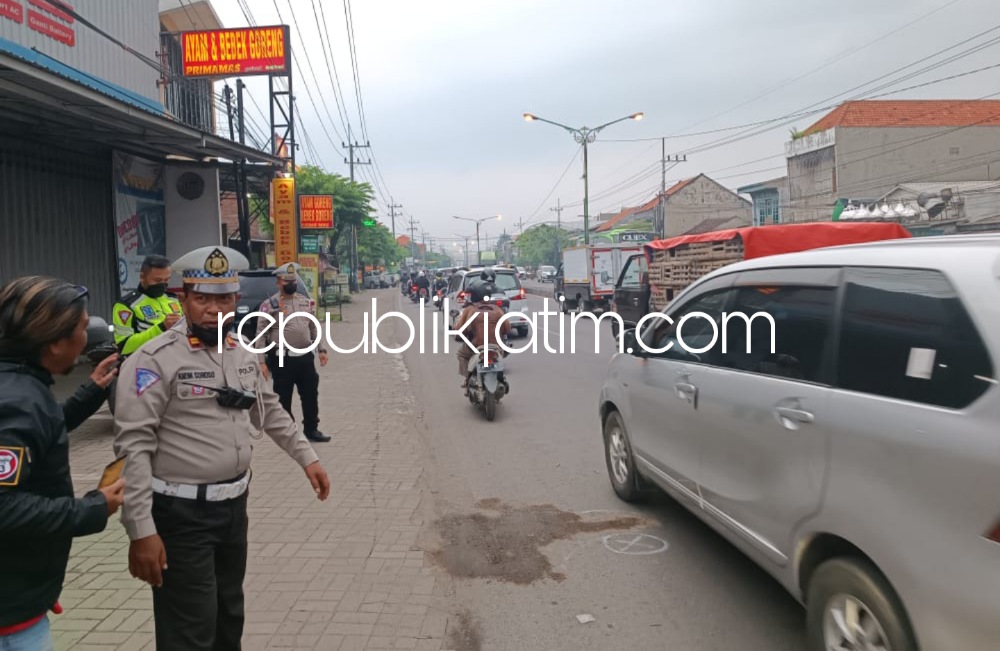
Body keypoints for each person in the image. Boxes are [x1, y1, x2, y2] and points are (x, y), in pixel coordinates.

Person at [113, 246, 331, 651]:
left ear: (236, 300)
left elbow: (269, 411)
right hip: (180, 516)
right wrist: (141, 530)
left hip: (233, 509)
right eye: (202, 298)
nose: (214, 310)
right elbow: (134, 449)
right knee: (191, 628)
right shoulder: (154, 359)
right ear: (184, 298)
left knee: (228, 617)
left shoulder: (241, 351)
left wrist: (308, 457)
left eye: (224, 299)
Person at [0, 277, 125, 650]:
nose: (86, 338)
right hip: (11, 617)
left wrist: (89, 394)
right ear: (54, 341)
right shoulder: (18, 400)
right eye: (83, 328)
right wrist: (92, 508)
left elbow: (35, 434)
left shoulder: (19, 386)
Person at [255, 262, 330, 443]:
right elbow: (261, 333)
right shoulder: (269, 305)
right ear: (278, 282)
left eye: (293, 280)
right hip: (282, 358)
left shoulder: (304, 301)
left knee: (310, 394)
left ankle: (312, 429)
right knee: (283, 396)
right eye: (287, 280)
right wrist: (261, 361)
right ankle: (288, 432)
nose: (291, 283)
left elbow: (313, 326)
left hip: (305, 357)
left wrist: (321, 349)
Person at [112, 255, 183, 356]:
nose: (163, 284)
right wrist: (161, 327)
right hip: (146, 364)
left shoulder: (174, 299)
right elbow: (124, 346)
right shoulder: (126, 305)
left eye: (166, 280)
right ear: (142, 277)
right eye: (157, 280)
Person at [454, 278, 511, 389]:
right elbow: (507, 328)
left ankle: (467, 378)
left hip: (476, 347)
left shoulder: (470, 310)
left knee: (461, 354)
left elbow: (460, 330)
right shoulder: (497, 309)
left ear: (475, 295)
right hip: (496, 347)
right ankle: (500, 378)